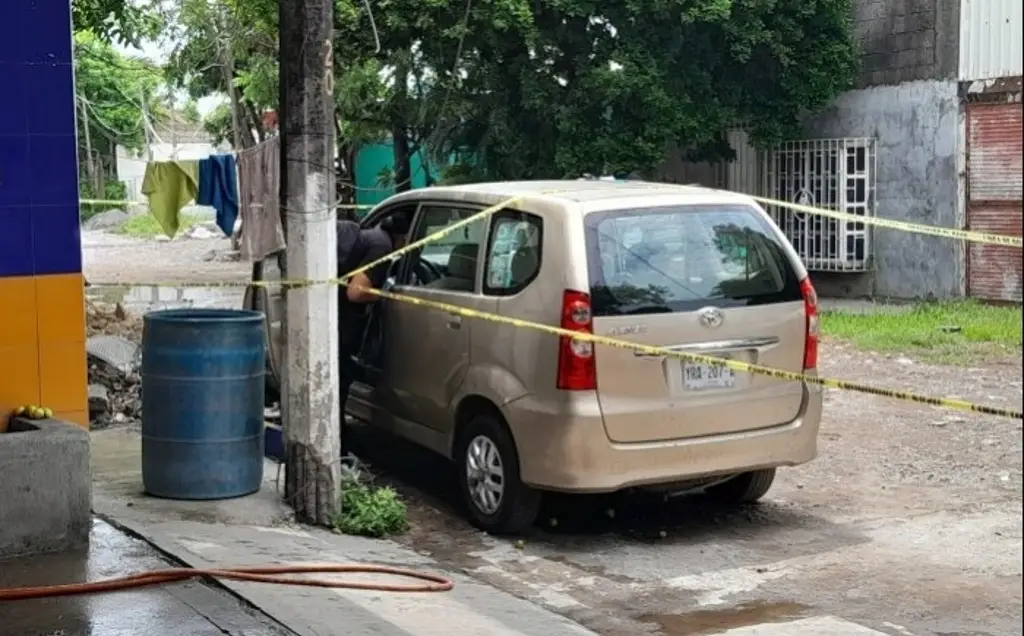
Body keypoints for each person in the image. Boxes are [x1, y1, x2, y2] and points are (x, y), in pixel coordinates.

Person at [336, 213, 411, 453]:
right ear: (405, 237)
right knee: (339, 383)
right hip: (342, 322)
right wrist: (388, 295)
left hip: (333, 316)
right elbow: (356, 293)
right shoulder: (382, 246)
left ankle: (339, 441)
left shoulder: (371, 236)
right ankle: (338, 447)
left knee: (339, 382)